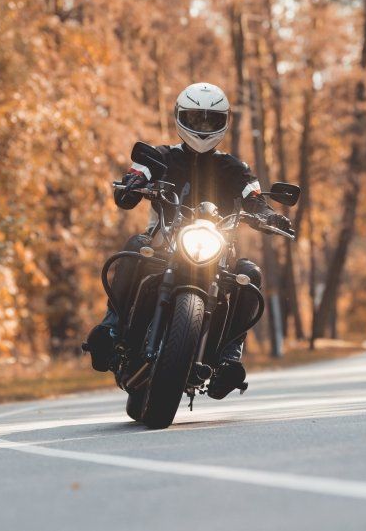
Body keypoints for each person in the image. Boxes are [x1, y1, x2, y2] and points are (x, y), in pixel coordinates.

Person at [84, 82, 293, 399]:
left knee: (249, 274)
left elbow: (254, 198)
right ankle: (111, 327)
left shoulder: (235, 168)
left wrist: (269, 215)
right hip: (163, 244)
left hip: (216, 251)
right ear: (181, 117)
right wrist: (132, 183)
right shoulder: (160, 156)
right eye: (197, 119)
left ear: (224, 122)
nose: (203, 128)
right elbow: (136, 175)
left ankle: (228, 358)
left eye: (211, 120)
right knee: (134, 246)